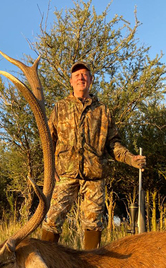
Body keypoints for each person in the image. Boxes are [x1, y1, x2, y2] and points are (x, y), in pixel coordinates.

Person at [41, 61, 146, 249]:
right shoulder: (59, 107)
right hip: (66, 174)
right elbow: (49, 141)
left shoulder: (103, 110)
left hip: (95, 176)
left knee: (93, 222)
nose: (81, 77)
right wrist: (49, 171)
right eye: (77, 75)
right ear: (71, 81)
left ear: (91, 80)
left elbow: (113, 144)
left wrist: (131, 159)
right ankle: (45, 265)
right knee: (52, 220)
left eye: (84, 75)